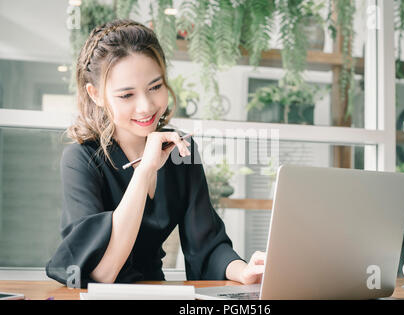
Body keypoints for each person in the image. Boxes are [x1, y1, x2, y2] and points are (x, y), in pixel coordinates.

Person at [46, 19, 265, 288]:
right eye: (127, 95)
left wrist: (244, 271)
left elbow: (207, 244)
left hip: (157, 293)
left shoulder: (180, 150)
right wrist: (146, 169)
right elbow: (101, 274)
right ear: (96, 95)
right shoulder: (81, 159)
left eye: (155, 87)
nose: (146, 106)